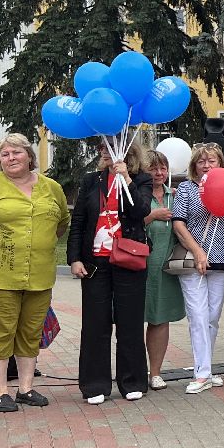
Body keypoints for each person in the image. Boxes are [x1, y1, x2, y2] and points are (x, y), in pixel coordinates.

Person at [0, 133, 68, 413]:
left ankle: (26, 388)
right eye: (5, 154)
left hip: (40, 275)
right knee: (1, 331)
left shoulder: (51, 188)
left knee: (30, 332)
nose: (11, 158)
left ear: (29, 156)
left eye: (16, 153)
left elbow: (61, 224)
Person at [67, 141, 153, 404]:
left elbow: (141, 211)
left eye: (109, 148)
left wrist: (125, 178)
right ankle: (95, 384)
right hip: (96, 262)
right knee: (95, 323)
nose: (104, 152)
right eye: (102, 148)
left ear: (127, 153)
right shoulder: (91, 180)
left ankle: (133, 381)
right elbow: (79, 221)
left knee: (130, 322)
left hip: (128, 259)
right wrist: (74, 258)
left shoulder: (141, 179)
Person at [174, 143, 224, 395]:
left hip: (222, 260)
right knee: (198, 317)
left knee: (212, 317)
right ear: (194, 165)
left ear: (221, 164)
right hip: (193, 260)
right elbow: (179, 224)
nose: (206, 165)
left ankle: (207, 369)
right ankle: (201, 374)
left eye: (212, 161)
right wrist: (199, 251)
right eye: (201, 161)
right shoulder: (187, 190)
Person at [142, 149, 184, 390]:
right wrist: (151, 216)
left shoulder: (175, 196)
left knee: (160, 321)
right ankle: (134, 370)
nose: (159, 173)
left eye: (162, 168)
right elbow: (122, 226)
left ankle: (155, 372)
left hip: (165, 270)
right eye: (153, 168)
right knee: (132, 321)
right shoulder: (135, 195)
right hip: (137, 269)